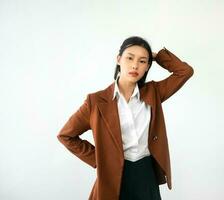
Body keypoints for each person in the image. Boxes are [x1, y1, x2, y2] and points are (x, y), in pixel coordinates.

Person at [57, 36, 194, 200]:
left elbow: (185, 72)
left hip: (145, 172)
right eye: (130, 57)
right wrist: (100, 159)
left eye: (142, 61)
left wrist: (156, 55)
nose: (135, 65)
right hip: (114, 176)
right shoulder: (95, 102)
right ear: (118, 59)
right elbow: (66, 135)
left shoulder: (154, 92)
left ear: (147, 66)